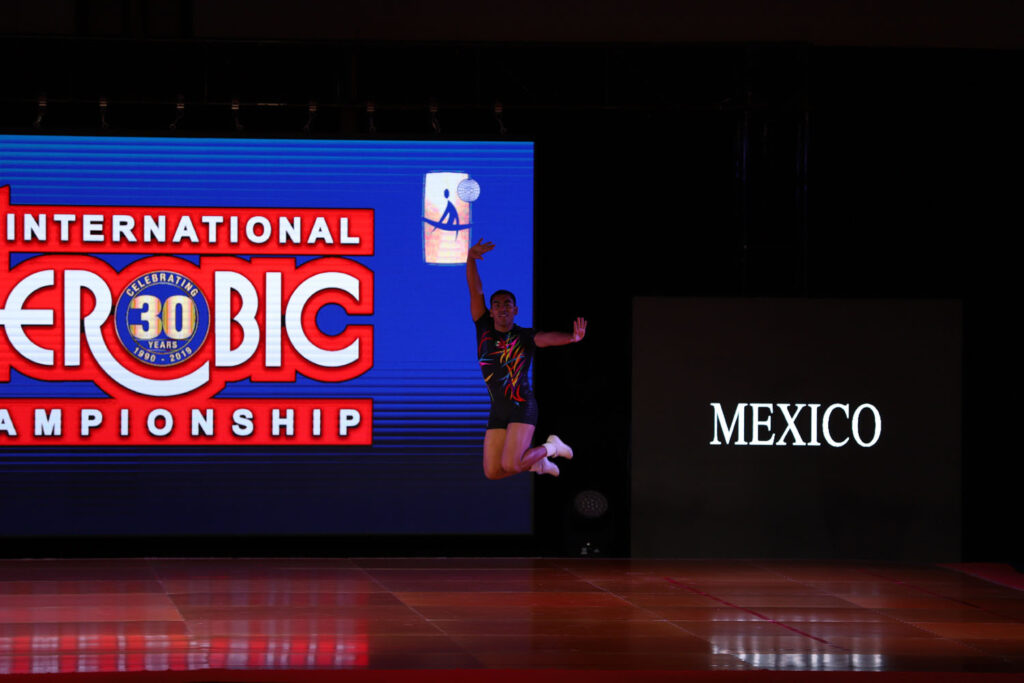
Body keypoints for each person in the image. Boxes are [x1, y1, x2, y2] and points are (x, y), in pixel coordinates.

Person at [466, 238, 587, 479]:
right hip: (498, 409)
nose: (502, 308)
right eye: (497, 305)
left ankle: (552, 447)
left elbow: (547, 338)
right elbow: (476, 290)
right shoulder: (483, 326)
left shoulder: (524, 336)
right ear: (491, 311)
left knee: (512, 465)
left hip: (522, 406)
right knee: (493, 472)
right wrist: (470, 259)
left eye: (507, 304)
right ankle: (538, 464)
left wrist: (571, 338)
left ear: (515, 310)